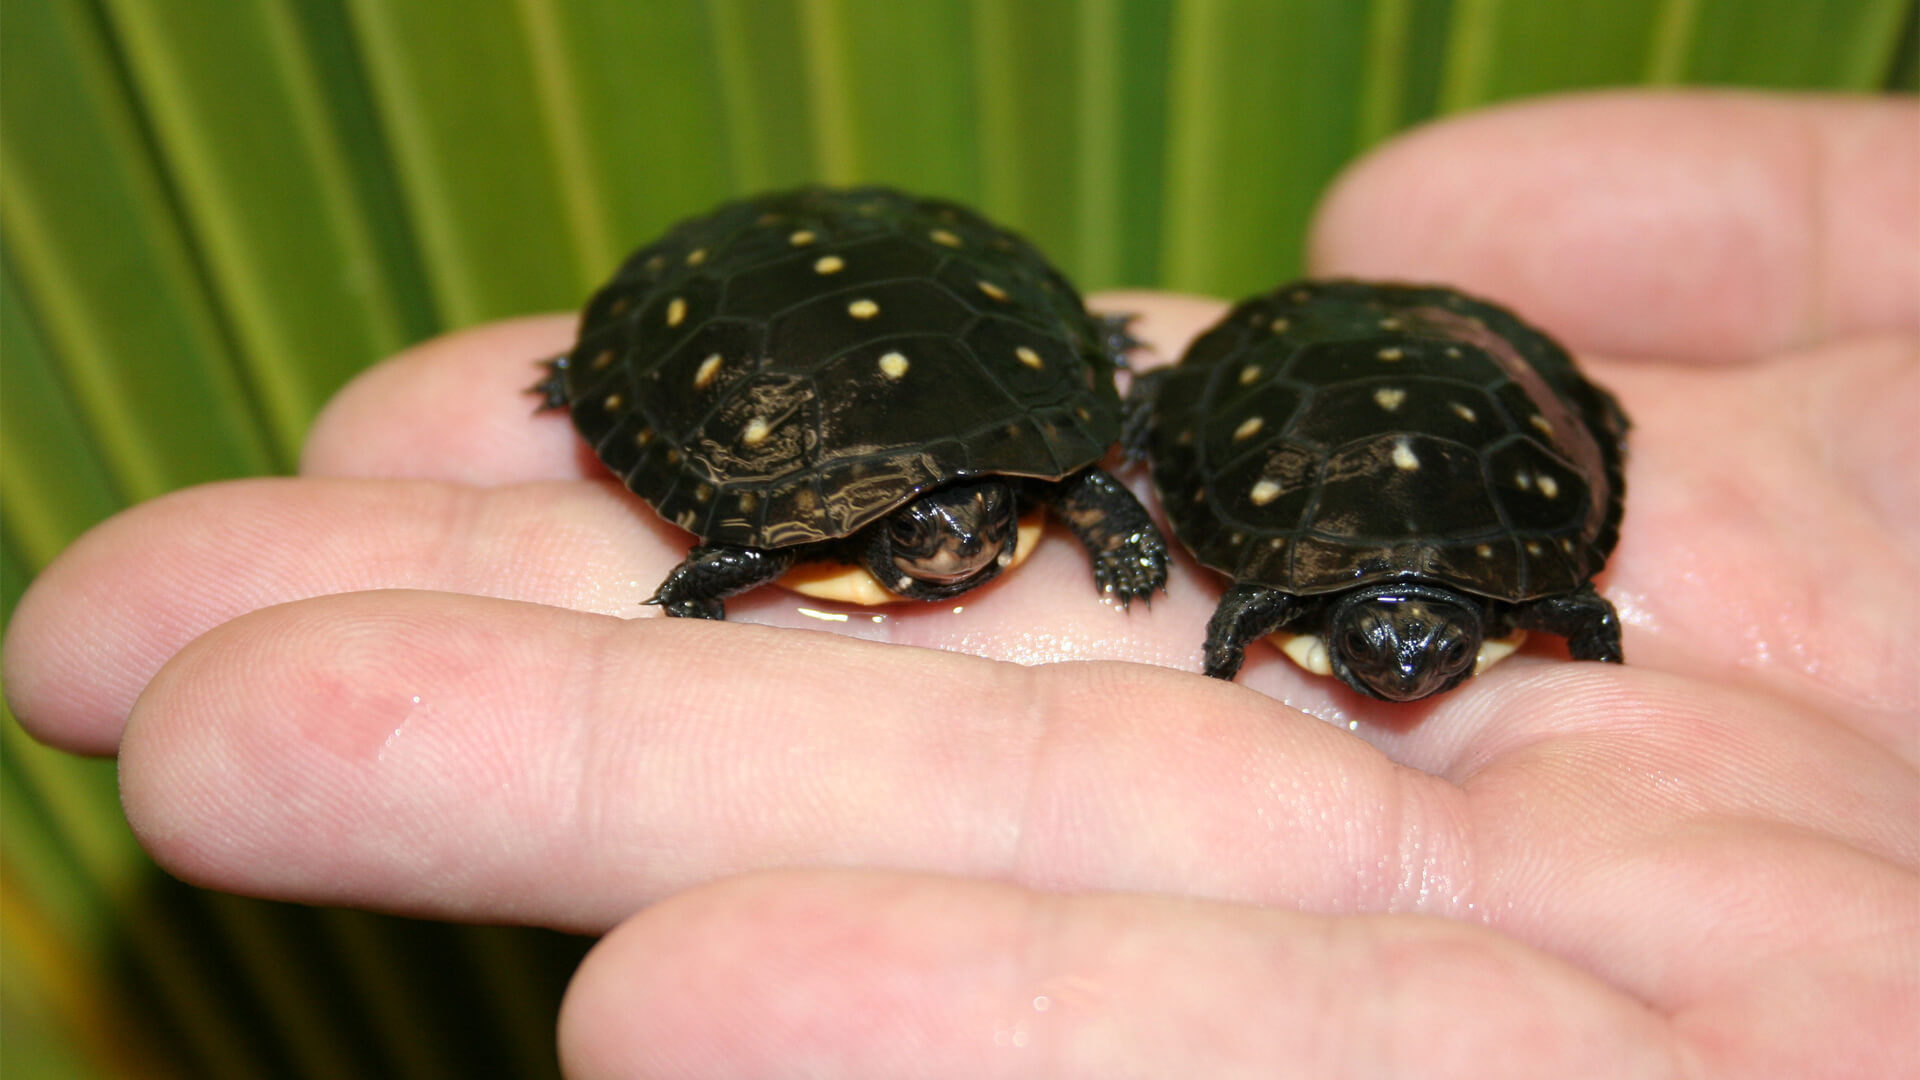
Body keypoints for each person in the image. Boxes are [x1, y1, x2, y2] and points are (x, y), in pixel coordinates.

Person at [5, 91, 1915, 1077]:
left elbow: (1132, 516)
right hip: (739, 335)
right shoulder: (876, 526)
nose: (943, 552)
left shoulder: (1087, 486)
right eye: (918, 546)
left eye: (958, 533)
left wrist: (1147, 534)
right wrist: (702, 560)